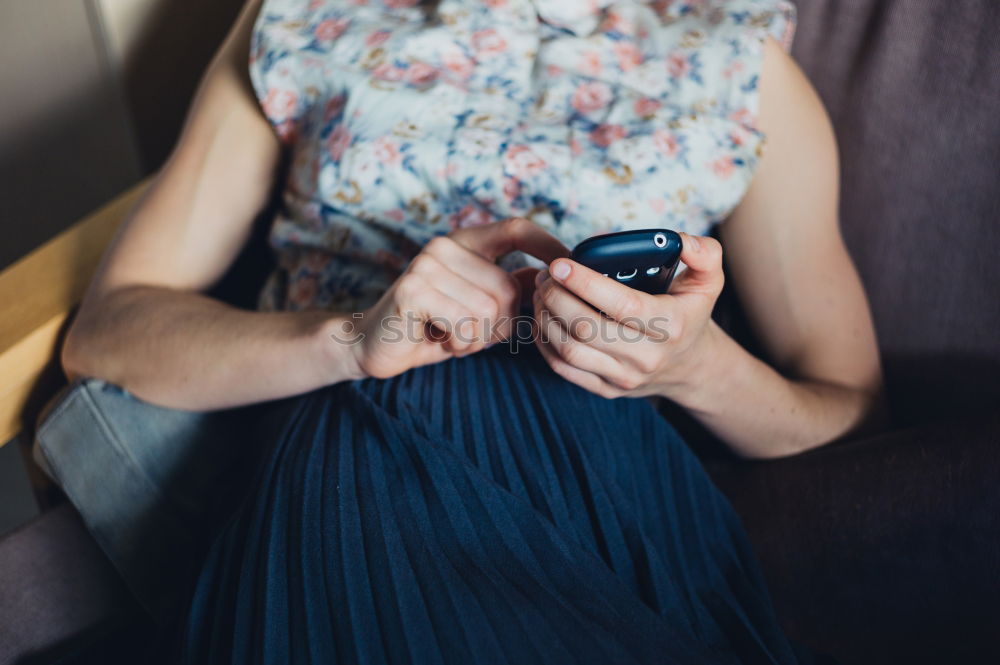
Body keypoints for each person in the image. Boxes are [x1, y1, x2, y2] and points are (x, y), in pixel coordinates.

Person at [63, 0, 884, 662]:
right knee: (363, 435)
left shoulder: (737, 66)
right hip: (335, 431)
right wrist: (348, 340)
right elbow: (109, 327)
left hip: (598, 460)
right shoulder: (303, 21)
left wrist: (695, 369)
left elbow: (850, 407)